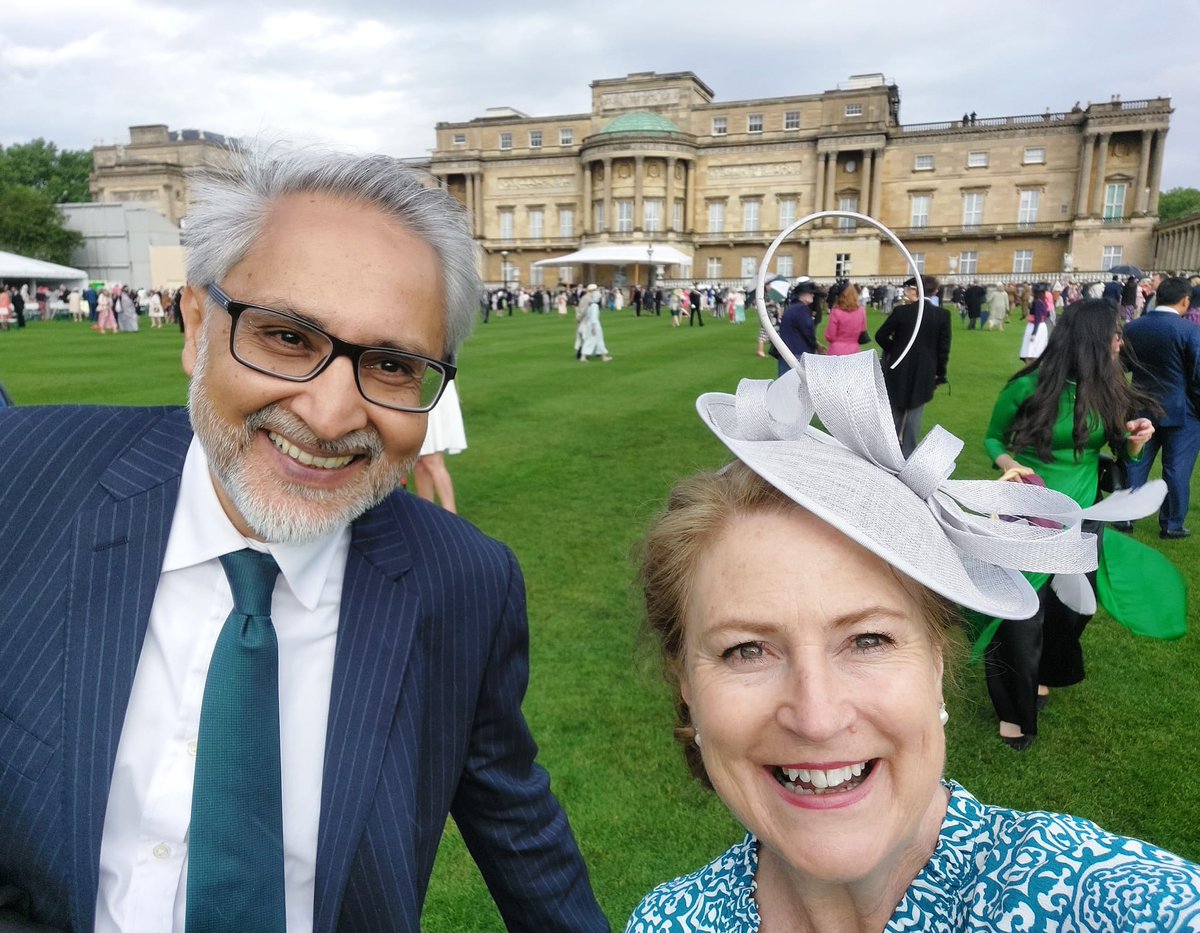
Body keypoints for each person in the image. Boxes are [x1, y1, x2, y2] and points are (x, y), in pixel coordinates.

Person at [0, 146, 606, 933]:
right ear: (195, 324)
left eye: (390, 364)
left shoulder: (464, 583)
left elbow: (522, 834)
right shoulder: (26, 482)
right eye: (287, 337)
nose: (328, 415)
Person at [627, 352, 1200, 932]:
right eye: (746, 649)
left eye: (869, 640)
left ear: (937, 658)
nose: (817, 717)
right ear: (686, 683)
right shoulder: (666, 919)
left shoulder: (1097, 901)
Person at [983, 299, 1157, 748]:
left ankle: (1044, 673)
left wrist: (1135, 440)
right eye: (1115, 334)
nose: (1122, 341)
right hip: (1028, 514)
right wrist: (1010, 464)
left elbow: (1121, 451)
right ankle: (1013, 712)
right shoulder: (1028, 387)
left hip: (1082, 519)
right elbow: (993, 437)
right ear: (1092, 341)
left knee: (1072, 611)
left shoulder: (1106, 388)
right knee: (1021, 616)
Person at [1124, 276, 1200, 539]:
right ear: (1185, 301)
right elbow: (1198, 375)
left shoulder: (1133, 327)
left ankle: (1124, 516)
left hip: (1141, 404)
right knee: (1177, 469)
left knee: (1136, 463)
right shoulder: (1190, 331)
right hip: (1183, 412)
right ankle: (1172, 524)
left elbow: (1123, 365)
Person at [874, 275, 951, 457]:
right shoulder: (941, 315)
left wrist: (896, 350)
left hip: (900, 367)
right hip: (924, 370)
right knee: (914, 412)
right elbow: (943, 348)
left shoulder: (902, 312)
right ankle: (906, 452)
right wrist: (940, 373)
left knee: (895, 410)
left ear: (917, 289)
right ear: (936, 291)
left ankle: (888, 451)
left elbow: (881, 336)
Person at [412, 379, 467, 514]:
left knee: (432, 461)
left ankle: (451, 515)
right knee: (418, 463)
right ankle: (427, 513)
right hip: (414, 389)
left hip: (432, 386)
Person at [775, 280, 819, 376]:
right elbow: (807, 331)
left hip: (785, 351)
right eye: (810, 293)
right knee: (798, 386)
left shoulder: (791, 308)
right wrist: (815, 345)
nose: (813, 295)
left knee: (784, 384)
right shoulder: (802, 309)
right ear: (803, 295)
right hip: (798, 352)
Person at [821, 282, 867, 356]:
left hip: (837, 350)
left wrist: (826, 332)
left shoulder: (836, 312)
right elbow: (863, 330)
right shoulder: (861, 311)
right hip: (854, 350)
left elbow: (831, 335)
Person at [577, 283, 612, 362]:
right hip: (594, 325)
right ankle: (584, 356)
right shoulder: (594, 306)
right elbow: (593, 318)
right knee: (594, 340)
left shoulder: (590, 304)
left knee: (597, 340)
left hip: (591, 324)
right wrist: (593, 327)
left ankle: (603, 355)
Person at [1019, 284, 1052, 362]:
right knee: (1038, 348)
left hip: (1035, 326)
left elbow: (1037, 318)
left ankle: (1030, 367)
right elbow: (1047, 314)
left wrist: (1034, 333)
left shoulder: (1037, 302)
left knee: (1031, 350)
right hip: (1042, 326)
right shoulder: (1044, 302)